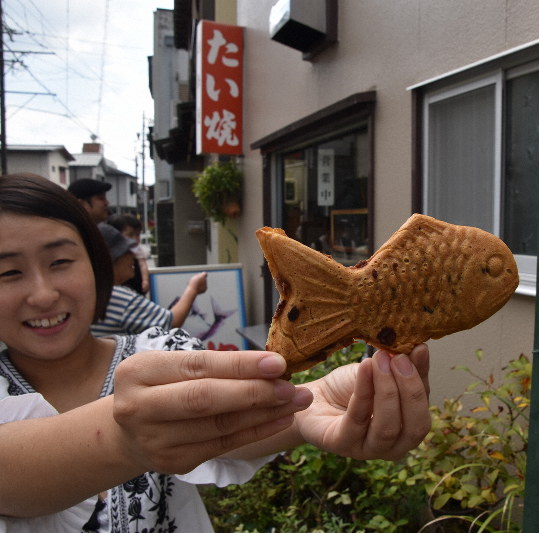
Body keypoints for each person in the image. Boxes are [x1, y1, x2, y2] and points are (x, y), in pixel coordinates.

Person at [0, 173, 431, 531]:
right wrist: (124, 437)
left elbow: (221, 436)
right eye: (8, 272)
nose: (42, 294)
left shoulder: (161, 352)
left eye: (60, 262)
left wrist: (310, 403)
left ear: (95, 265)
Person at [91, 222, 208, 336]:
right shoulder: (117, 298)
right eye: (125, 251)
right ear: (110, 260)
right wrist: (193, 288)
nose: (133, 255)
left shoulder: (92, 293)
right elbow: (170, 323)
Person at [106, 213, 151, 295]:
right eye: (130, 235)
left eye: (138, 235)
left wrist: (145, 280)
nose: (135, 239)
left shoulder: (138, 250)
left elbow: (143, 264)